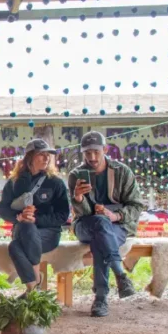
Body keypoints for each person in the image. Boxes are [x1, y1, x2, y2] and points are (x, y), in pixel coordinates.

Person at [68, 131, 146, 317]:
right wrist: (78, 197)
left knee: (100, 240)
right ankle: (120, 274)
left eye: (96, 151)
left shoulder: (121, 171)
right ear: (83, 153)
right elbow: (83, 213)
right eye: (87, 153)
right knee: (99, 226)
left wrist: (115, 215)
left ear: (105, 149)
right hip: (86, 224)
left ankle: (101, 298)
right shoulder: (76, 175)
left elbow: (136, 206)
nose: (92, 157)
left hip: (117, 225)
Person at [0, 139, 70, 293]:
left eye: (48, 155)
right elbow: (2, 209)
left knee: (14, 246)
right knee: (26, 226)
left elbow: (63, 215)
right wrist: (19, 217)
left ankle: (32, 287)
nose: (46, 158)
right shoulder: (14, 182)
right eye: (41, 155)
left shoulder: (55, 183)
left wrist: (37, 219)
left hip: (48, 235)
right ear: (29, 157)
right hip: (21, 230)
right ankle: (35, 281)